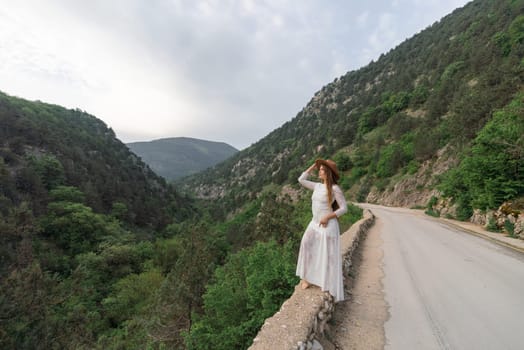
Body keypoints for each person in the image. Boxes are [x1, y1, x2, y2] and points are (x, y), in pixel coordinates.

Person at [296, 159, 348, 302]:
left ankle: (326, 283)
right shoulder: (317, 186)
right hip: (314, 222)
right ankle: (307, 278)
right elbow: (301, 179)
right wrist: (313, 166)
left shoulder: (335, 189)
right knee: (306, 244)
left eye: (322, 170)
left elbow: (344, 208)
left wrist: (328, 217)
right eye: (319, 169)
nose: (319, 171)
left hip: (328, 224)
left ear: (328, 173)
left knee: (327, 254)